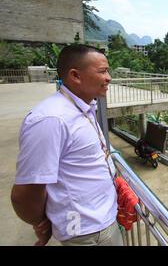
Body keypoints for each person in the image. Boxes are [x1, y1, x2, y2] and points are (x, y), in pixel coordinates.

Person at [10, 44, 123, 246]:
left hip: (102, 219)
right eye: (103, 71)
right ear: (75, 76)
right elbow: (25, 193)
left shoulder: (83, 107)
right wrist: (42, 221)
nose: (109, 78)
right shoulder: (52, 119)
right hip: (87, 232)